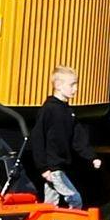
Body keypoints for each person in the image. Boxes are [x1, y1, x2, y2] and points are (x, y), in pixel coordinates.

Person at [24, 66, 101, 208]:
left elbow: (78, 139)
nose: (76, 89)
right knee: (75, 199)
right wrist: (43, 168)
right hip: (53, 168)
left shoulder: (68, 112)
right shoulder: (48, 110)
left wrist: (92, 157)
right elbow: (37, 139)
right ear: (58, 85)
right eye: (72, 85)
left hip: (59, 166)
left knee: (50, 204)